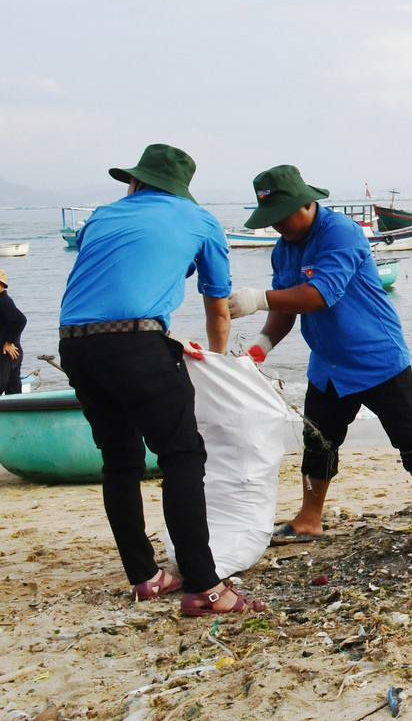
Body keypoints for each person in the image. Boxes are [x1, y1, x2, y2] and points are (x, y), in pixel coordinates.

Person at [58, 144, 264, 616]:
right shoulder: (201, 220)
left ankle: (145, 578)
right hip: (136, 343)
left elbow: (114, 284)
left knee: (120, 459)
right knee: (183, 455)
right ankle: (204, 587)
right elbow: (218, 305)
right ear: (180, 189)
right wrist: (216, 362)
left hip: (77, 343)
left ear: (135, 182)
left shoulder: (101, 217)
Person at [228, 165, 412, 542]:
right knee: (319, 442)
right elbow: (286, 307)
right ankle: (309, 518)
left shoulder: (340, 232)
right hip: (327, 365)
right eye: (269, 220)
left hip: (378, 358)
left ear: (307, 203)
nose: (277, 226)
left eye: (281, 216)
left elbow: (319, 294)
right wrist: (260, 348)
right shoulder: (283, 251)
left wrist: (256, 298)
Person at [0, 270, 25, 395]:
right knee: (13, 389)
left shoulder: (3, 301)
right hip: (12, 353)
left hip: (8, 353)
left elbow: (20, 320)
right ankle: (17, 413)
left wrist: (9, 342)